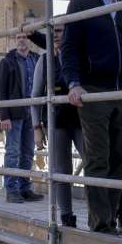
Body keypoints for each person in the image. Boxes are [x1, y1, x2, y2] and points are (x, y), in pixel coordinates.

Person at [61, 0, 122, 234]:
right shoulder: (81, 2)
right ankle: (101, 224)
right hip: (93, 90)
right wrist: (74, 83)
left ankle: (111, 216)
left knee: (121, 159)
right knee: (98, 158)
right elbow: (68, 48)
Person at [30, 24, 83, 228]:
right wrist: (37, 128)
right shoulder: (44, 60)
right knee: (61, 170)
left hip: (80, 119)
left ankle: (100, 217)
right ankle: (67, 218)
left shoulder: (76, 56)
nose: (56, 35)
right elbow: (35, 96)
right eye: (53, 32)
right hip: (57, 121)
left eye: (61, 31)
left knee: (94, 163)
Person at [0, 33, 43, 203]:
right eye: (18, 37)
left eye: (24, 36)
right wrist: (4, 116)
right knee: (13, 152)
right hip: (14, 115)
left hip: (31, 114)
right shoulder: (7, 61)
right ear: (13, 41)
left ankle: (25, 188)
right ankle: (12, 190)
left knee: (28, 153)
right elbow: (1, 90)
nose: (21, 39)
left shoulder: (36, 59)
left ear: (30, 40)